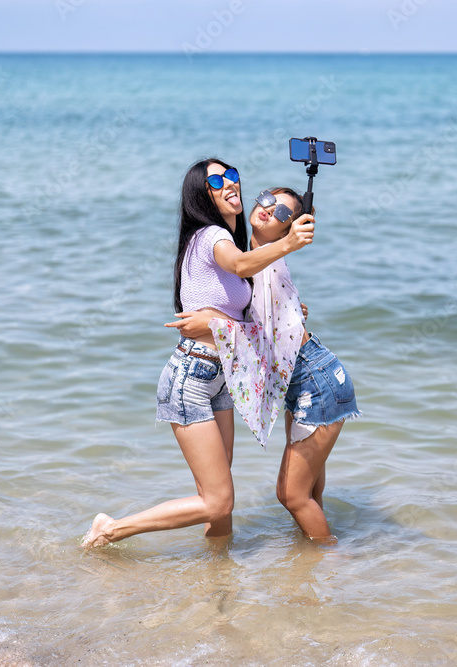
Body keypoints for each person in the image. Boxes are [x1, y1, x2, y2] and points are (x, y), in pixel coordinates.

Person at [81, 160, 315, 548]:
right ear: (200, 195)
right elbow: (241, 263)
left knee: (217, 501)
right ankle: (110, 528)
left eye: (233, 176)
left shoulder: (226, 243)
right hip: (191, 377)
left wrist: (289, 310)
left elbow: (248, 304)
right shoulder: (210, 237)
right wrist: (288, 242)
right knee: (218, 499)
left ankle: (216, 579)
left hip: (219, 379)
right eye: (217, 181)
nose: (230, 184)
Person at [175, 187, 359, 542]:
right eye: (266, 201)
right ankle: (313, 571)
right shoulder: (258, 259)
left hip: (315, 383)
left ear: (288, 229)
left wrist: (213, 324)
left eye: (282, 214)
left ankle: (335, 560)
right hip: (314, 379)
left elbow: (266, 336)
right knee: (309, 496)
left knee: (291, 496)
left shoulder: (264, 263)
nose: (268, 211)